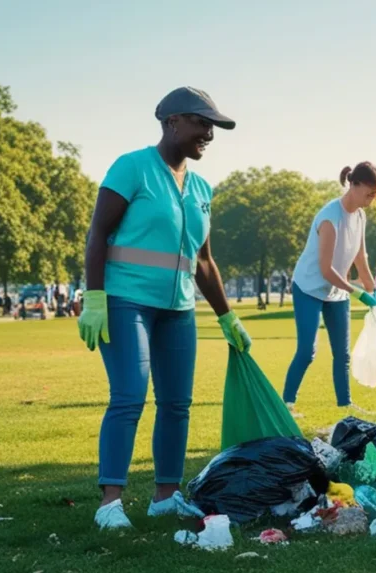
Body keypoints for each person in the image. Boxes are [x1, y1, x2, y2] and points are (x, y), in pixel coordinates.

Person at [78, 87, 252, 530]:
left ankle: (165, 496)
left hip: (178, 309)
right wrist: (94, 296)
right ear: (172, 121)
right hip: (125, 301)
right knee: (129, 397)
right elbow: (98, 234)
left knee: (177, 404)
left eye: (213, 126)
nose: (209, 133)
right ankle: (110, 503)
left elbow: (203, 260)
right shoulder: (131, 167)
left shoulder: (200, 187)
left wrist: (227, 315)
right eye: (201, 122)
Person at [283, 162, 376, 413]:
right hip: (309, 287)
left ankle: (345, 405)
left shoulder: (360, 215)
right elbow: (326, 269)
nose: (372, 199)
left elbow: (360, 258)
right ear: (354, 185)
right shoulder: (330, 217)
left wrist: (373, 290)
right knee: (307, 351)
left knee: (343, 354)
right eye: (369, 193)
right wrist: (358, 292)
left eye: (375, 194)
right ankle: (286, 403)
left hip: (337, 292)